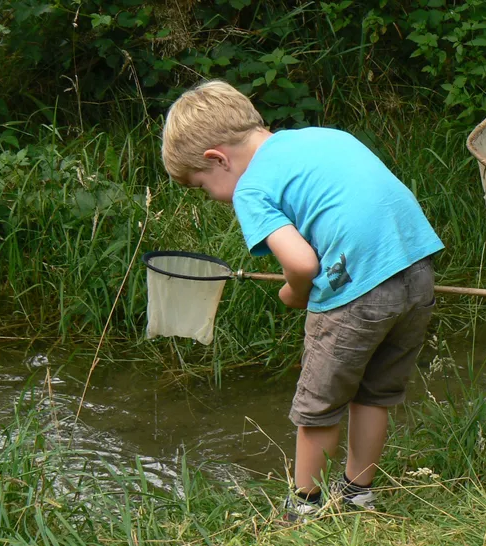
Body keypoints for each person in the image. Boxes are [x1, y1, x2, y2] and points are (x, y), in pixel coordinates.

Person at [161, 80, 444, 519]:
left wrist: (292, 292)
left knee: (317, 408)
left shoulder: (251, 188)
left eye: (202, 185)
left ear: (218, 158)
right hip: (418, 273)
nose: (211, 196)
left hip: (357, 293)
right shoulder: (323, 136)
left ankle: (305, 508)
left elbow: (303, 264)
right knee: (375, 395)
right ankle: (357, 494)